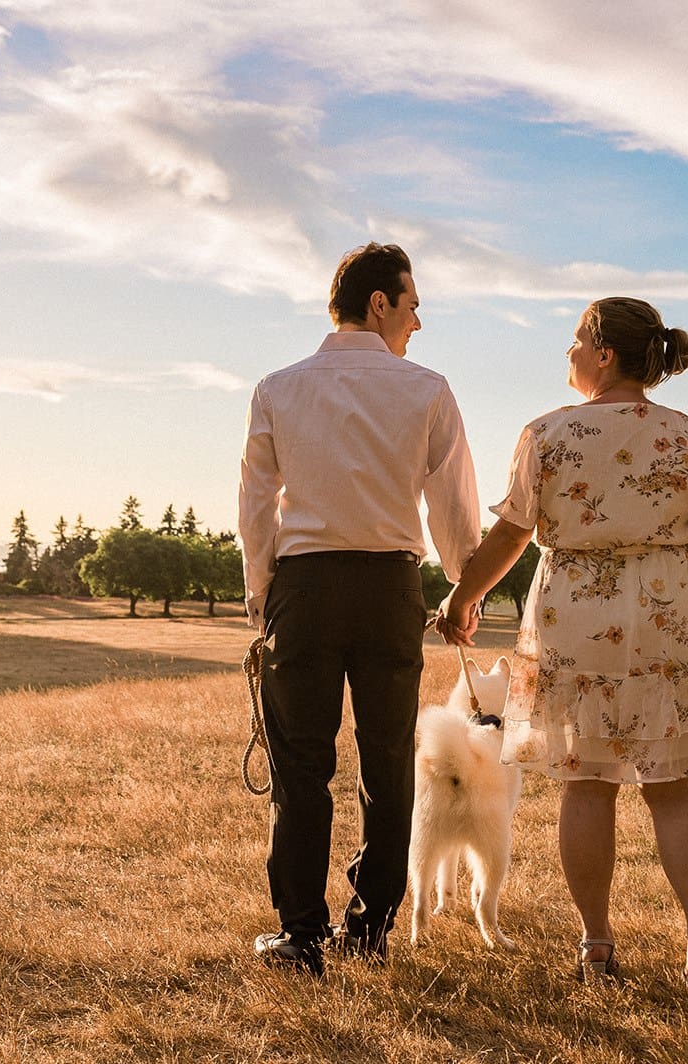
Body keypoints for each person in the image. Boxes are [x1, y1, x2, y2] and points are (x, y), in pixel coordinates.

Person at [434, 296, 688, 1004]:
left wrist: (461, 599)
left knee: (587, 786)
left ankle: (597, 944)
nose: (566, 354)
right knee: (676, 790)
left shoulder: (548, 433)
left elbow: (510, 534)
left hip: (574, 618)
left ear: (603, 353)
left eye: (574, 341)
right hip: (670, 619)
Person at [238, 242, 481, 976]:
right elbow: (454, 504)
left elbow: (256, 505)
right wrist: (462, 590)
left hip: (303, 590)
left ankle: (302, 935)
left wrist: (261, 595)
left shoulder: (277, 388)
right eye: (412, 306)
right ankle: (370, 928)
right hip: (388, 591)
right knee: (385, 762)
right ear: (379, 303)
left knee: (300, 769)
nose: (417, 322)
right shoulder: (428, 390)